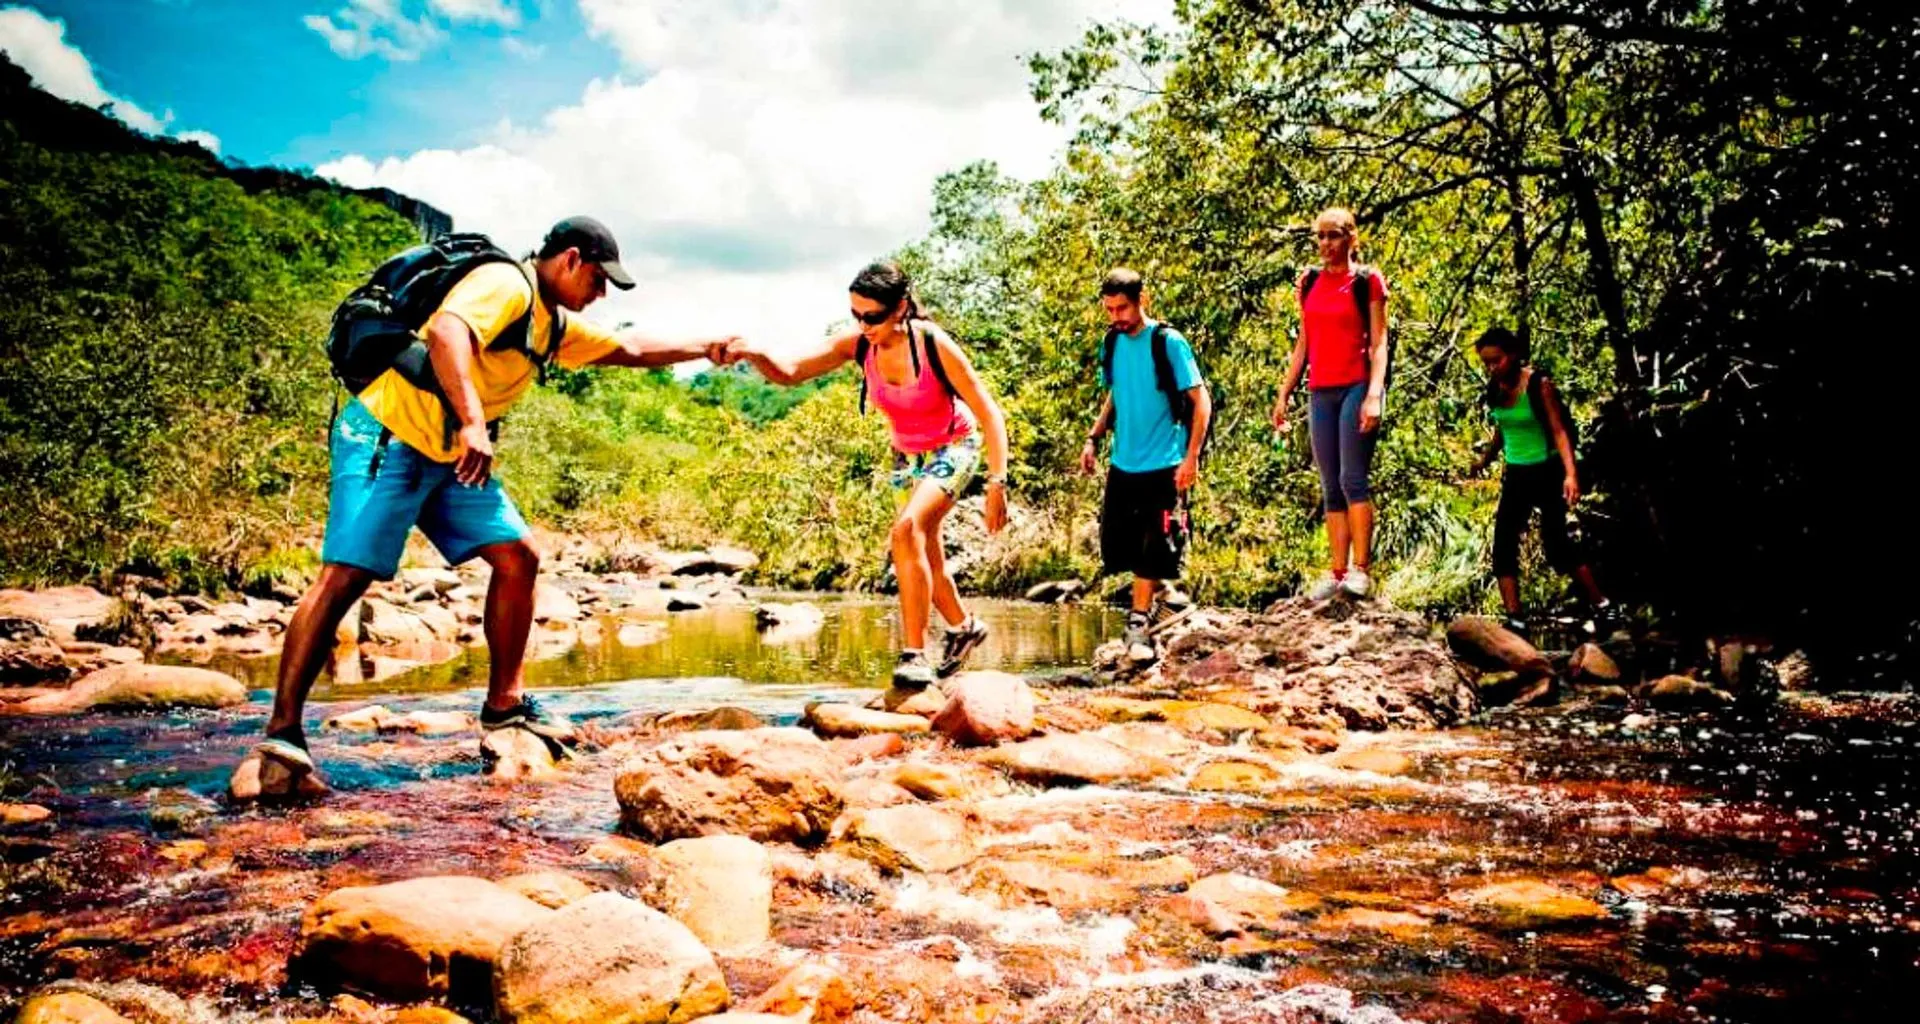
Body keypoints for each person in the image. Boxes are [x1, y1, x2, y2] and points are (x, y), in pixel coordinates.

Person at [230, 216, 740, 801]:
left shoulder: (548, 323)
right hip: (390, 435)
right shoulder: (506, 283)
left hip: (450, 455)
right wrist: (475, 421)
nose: (600, 295)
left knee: (518, 556)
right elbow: (448, 332)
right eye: (599, 280)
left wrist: (706, 347)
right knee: (346, 576)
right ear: (570, 259)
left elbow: (626, 348)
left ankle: (503, 705)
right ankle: (283, 732)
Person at [730, 261, 1010, 688]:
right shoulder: (859, 345)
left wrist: (997, 484)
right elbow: (790, 373)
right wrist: (752, 352)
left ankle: (913, 654)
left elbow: (988, 410)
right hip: (907, 457)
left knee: (906, 530)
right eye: (856, 315)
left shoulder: (932, 343)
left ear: (900, 308)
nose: (863, 325)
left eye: (872, 316)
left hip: (955, 445)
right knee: (924, 552)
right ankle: (963, 628)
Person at [1079, 268, 1211, 665]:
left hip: (1166, 460)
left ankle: (1138, 627)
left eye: (1122, 308)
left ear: (1142, 300)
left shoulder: (1167, 342)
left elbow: (1201, 401)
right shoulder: (1112, 342)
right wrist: (1094, 437)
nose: (1116, 316)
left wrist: (1191, 458)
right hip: (1124, 461)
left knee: (1153, 544)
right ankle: (1168, 600)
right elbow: (1116, 396)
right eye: (1110, 309)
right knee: (1117, 545)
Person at [1271, 207, 1391, 600]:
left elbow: (1379, 342)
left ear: (1351, 238)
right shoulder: (1308, 282)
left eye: (1334, 235)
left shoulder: (1367, 281)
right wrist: (1285, 392)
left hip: (1357, 385)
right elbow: (1303, 343)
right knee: (1329, 484)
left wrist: (1374, 394)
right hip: (1320, 389)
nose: (1326, 244)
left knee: (1352, 478)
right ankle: (1337, 571)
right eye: (1320, 237)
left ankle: (1361, 570)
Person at [1470, 327, 1615, 637]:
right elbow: (1503, 427)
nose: (1492, 368)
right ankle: (1515, 619)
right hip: (1516, 474)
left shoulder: (1539, 385)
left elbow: (1559, 430)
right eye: (1487, 363)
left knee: (1558, 546)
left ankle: (1603, 606)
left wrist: (1570, 474)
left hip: (1546, 470)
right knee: (1503, 544)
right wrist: (1485, 459)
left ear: (1511, 355)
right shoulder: (1494, 389)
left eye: (1496, 360)